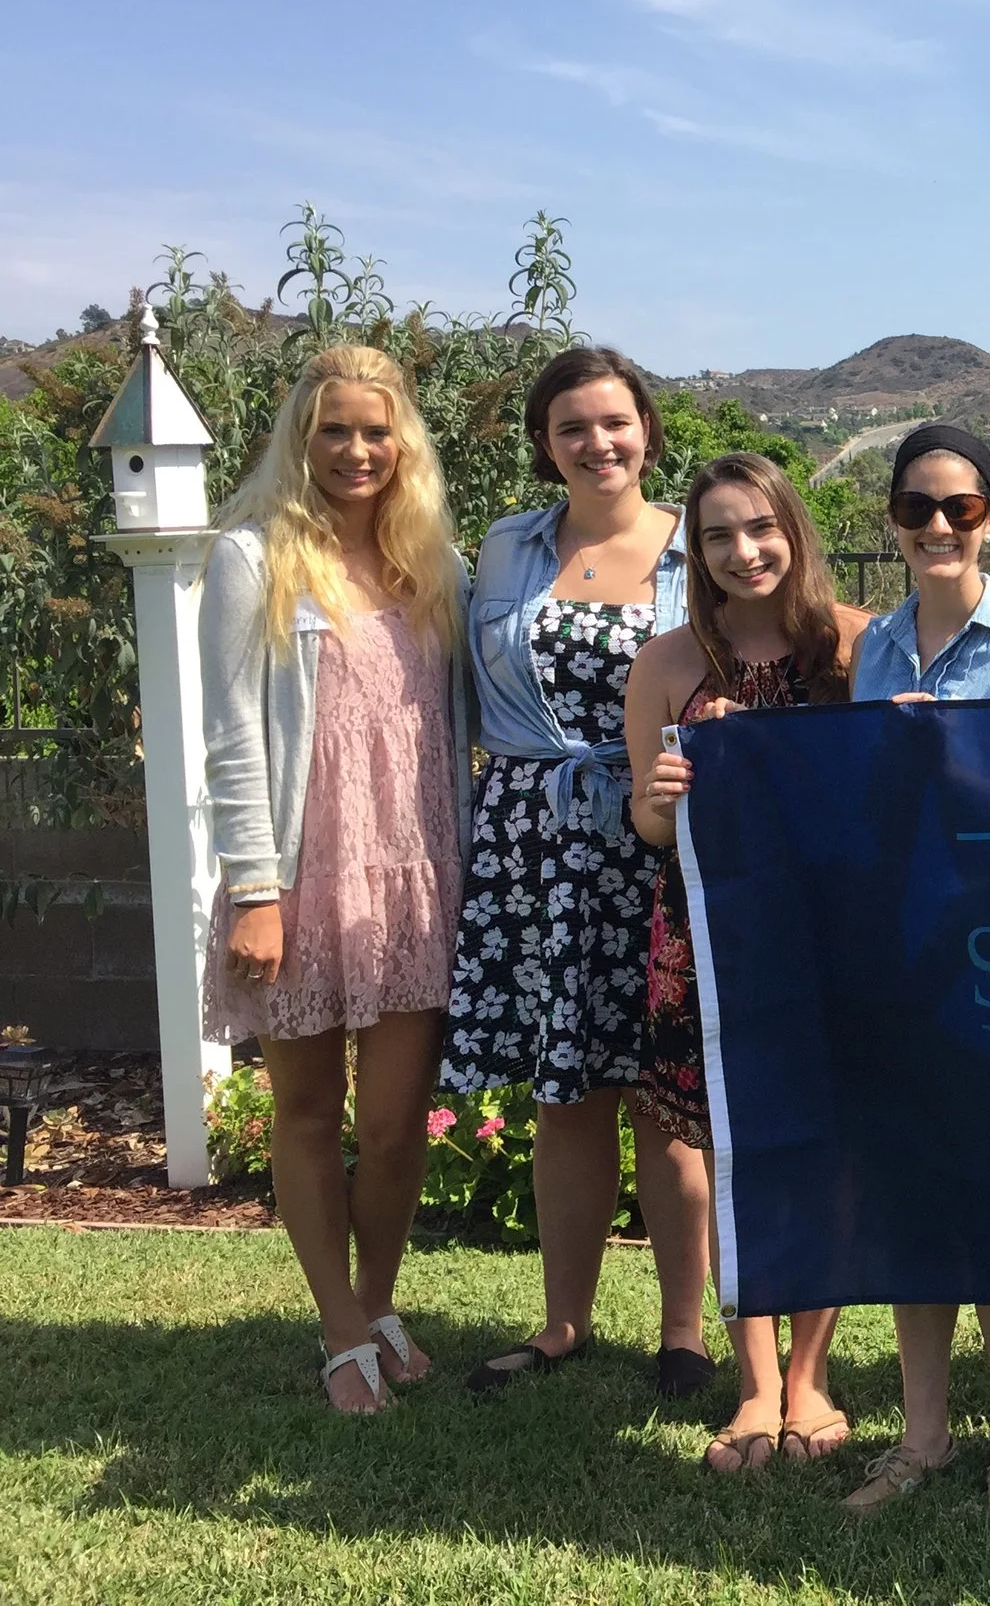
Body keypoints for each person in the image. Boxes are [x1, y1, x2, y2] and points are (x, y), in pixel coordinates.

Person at [200, 344, 473, 1412]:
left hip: (413, 874)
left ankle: (377, 1299)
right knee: (310, 1113)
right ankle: (339, 1328)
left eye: (375, 431)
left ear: (402, 443)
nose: (356, 450)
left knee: (400, 1121)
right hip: (301, 881)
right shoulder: (253, 556)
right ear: (300, 440)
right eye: (333, 431)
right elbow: (231, 735)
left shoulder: (433, 566)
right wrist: (257, 889)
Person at [445, 344, 715, 1398]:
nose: (597, 443)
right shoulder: (507, 545)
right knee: (566, 1099)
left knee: (664, 1096)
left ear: (646, 429)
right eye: (571, 427)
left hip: (662, 839)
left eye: (614, 422)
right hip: (535, 848)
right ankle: (562, 1322)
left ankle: (683, 1330)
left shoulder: (700, 545)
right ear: (543, 444)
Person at [840, 424, 990, 1517]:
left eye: (963, 508)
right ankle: (923, 1434)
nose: (939, 526)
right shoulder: (869, 651)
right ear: (892, 519)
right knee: (915, 1191)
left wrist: (959, 763)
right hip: (900, 953)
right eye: (919, 508)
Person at [626, 452, 870, 1471]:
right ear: (696, 551)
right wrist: (671, 787)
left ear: (794, 531)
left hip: (829, 929)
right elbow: (643, 820)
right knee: (734, 1160)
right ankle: (755, 1381)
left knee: (823, 1154)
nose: (743, 551)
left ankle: (810, 1376)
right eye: (718, 535)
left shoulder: (857, 643)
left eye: (760, 528)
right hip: (710, 935)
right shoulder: (669, 664)